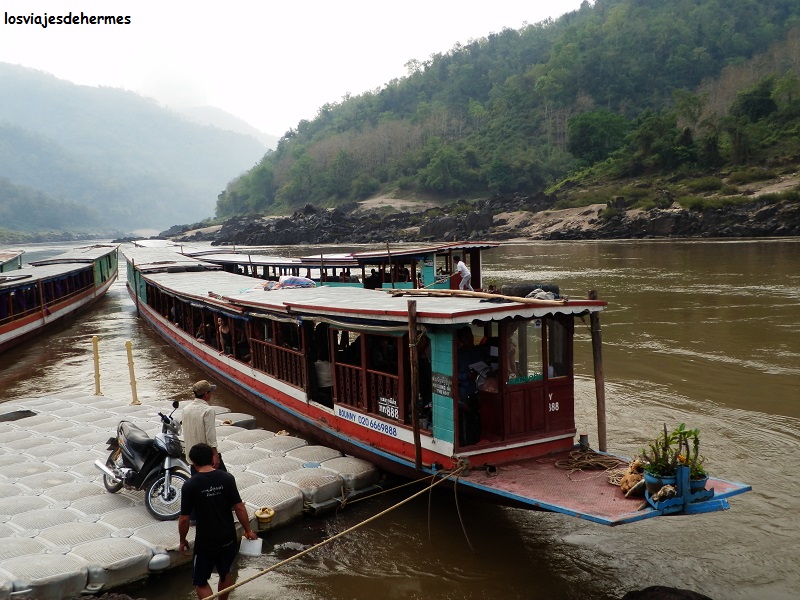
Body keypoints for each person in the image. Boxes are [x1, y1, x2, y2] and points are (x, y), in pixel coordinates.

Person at [179, 443, 258, 600]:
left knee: (200, 581)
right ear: (212, 459)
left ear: (193, 462)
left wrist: (182, 540)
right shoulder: (227, 478)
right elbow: (239, 507)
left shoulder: (190, 485)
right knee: (224, 573)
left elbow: (184, 519)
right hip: (228, 537)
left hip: (206, 541)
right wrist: (248, 530)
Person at [183, 380, 226, 471]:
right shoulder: (208, 411)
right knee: (224, 478)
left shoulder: (186, 409)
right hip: (206, 457)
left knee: (197, 479)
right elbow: (210, 436)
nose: (211, 394)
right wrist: (215, 455)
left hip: (192, 457)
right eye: (210, 392)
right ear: (206, 394)